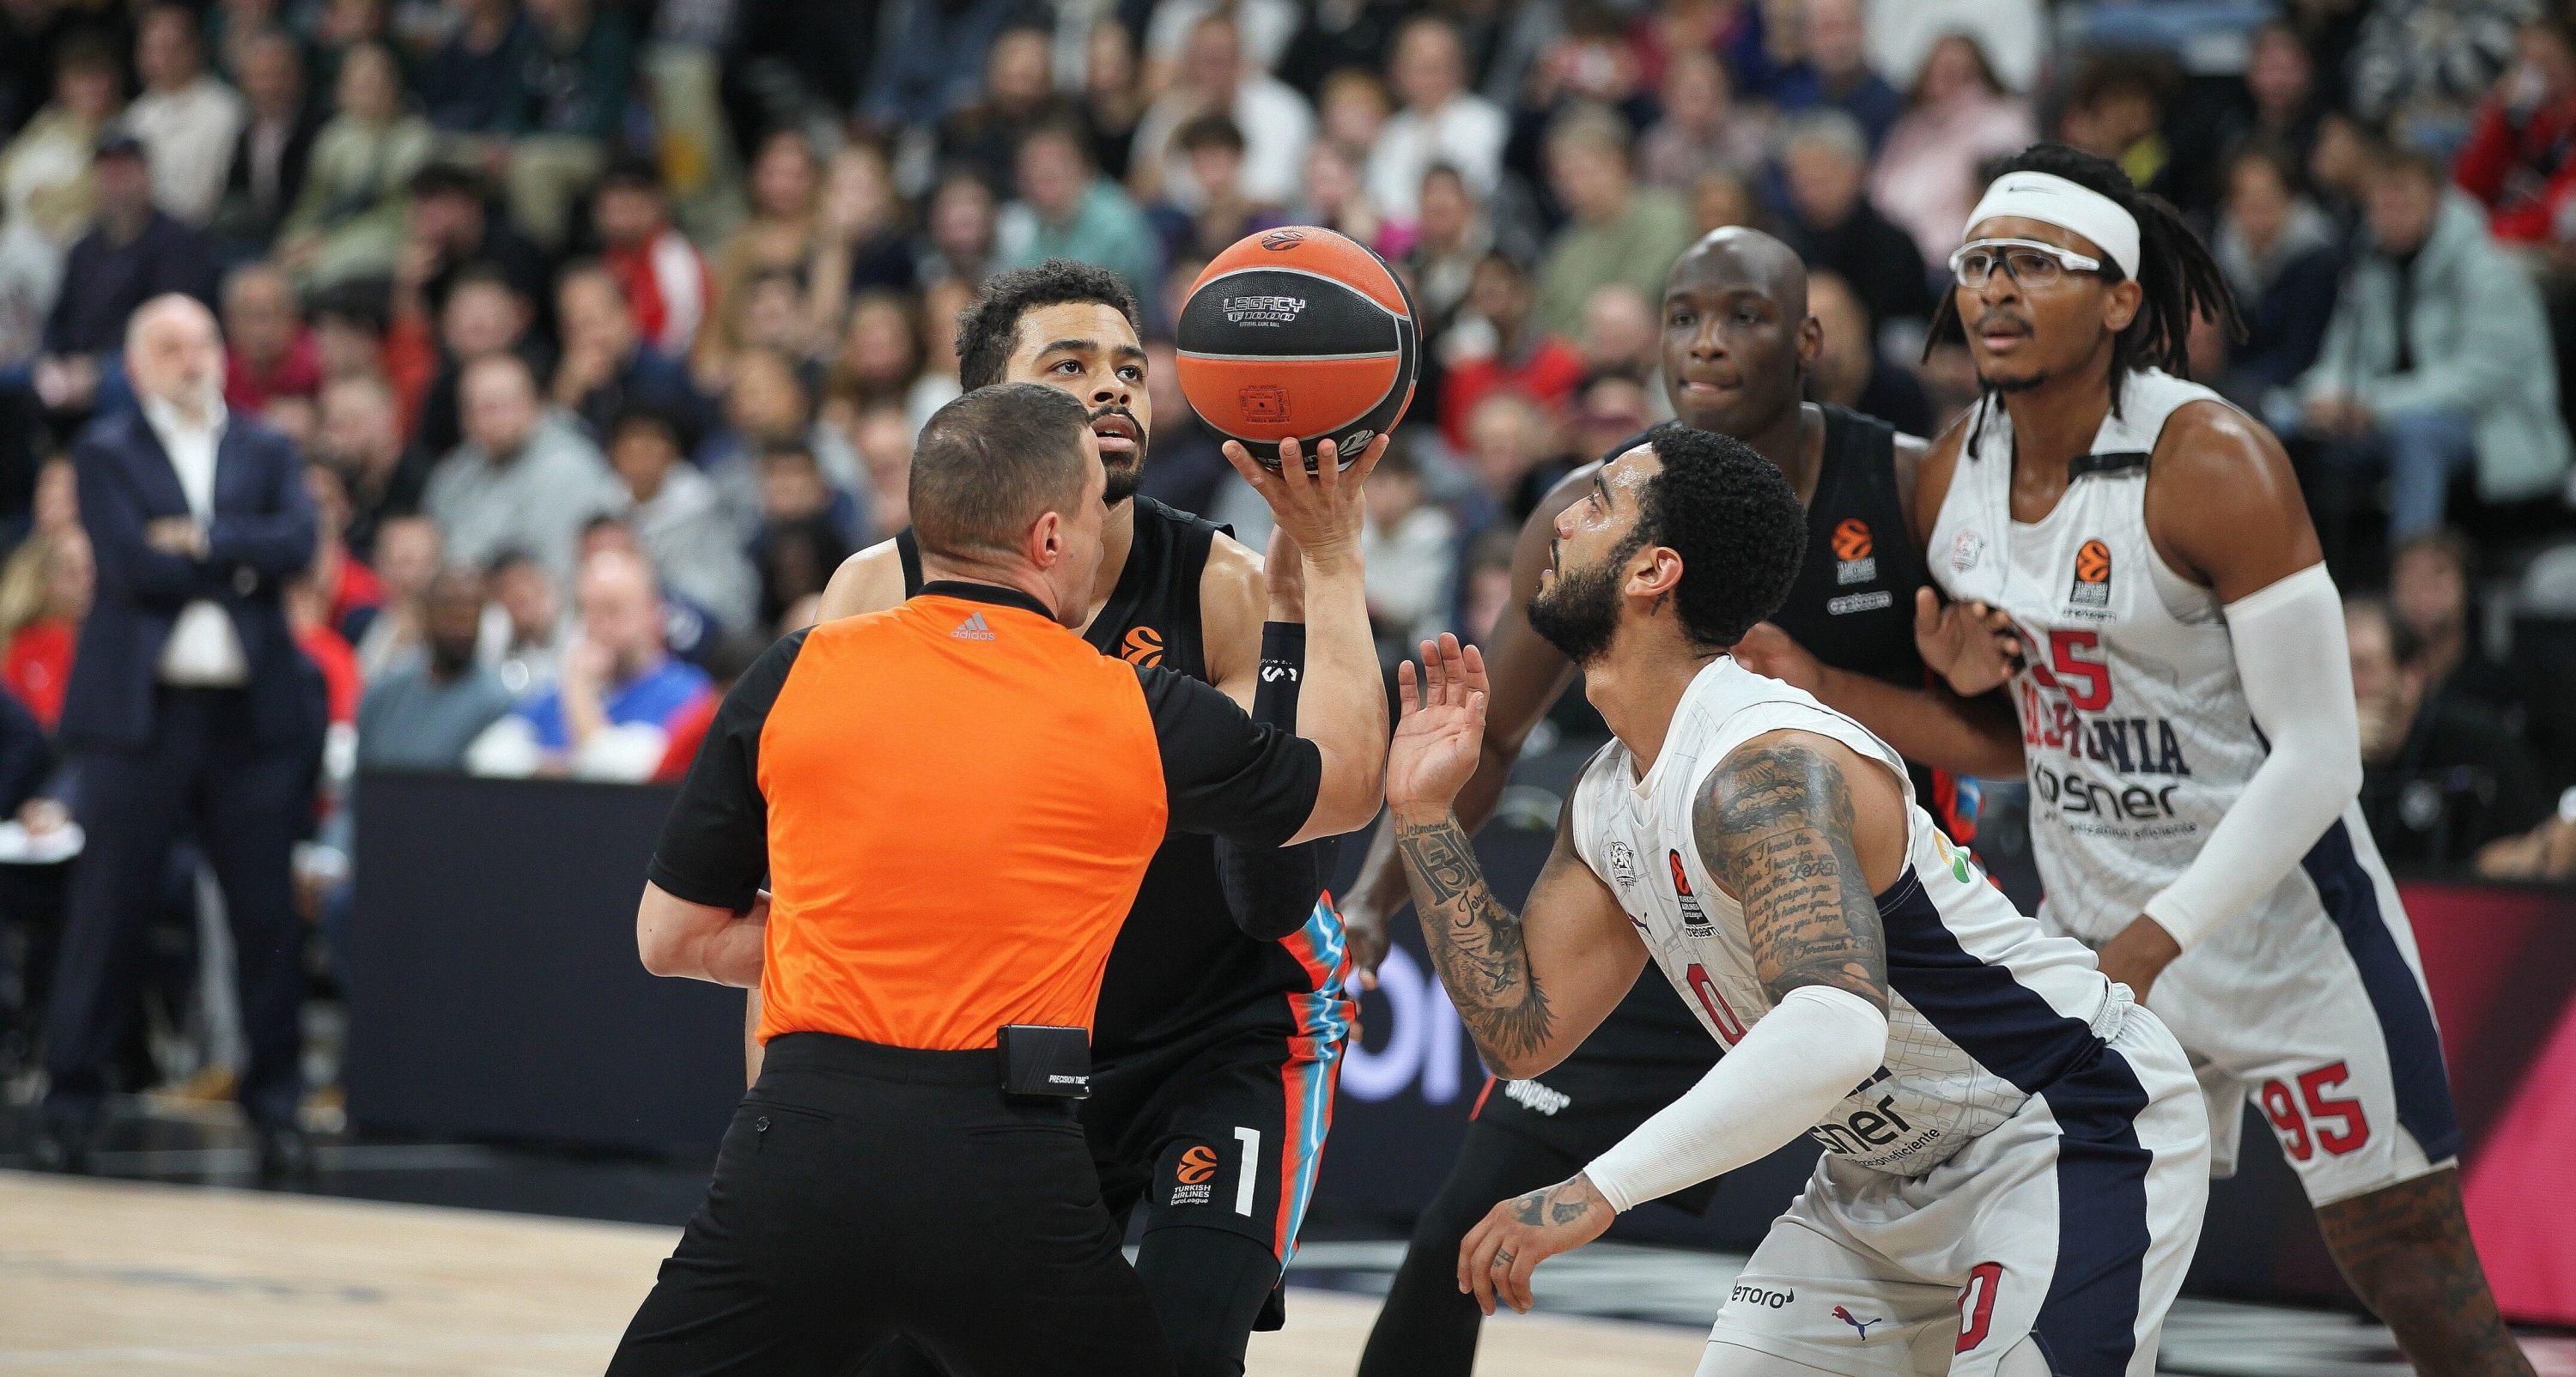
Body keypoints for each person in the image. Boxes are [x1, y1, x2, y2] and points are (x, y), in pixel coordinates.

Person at [1829, 144, 2535, 1377]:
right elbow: (2015, 725)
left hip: (2279, 938)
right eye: (1980, 262)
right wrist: (1954, 673)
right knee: (2079, 1281)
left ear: (2117, 296)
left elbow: (2322, 758)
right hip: (2091, 929)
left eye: (2034, 266)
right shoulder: (1955, 473)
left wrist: (2152, 942)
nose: (1994, 289)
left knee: (2416, 1278)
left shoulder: (2216, 464)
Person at [1381, 427, 2207, 1375]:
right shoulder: (1610, 795)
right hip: (1877, 1178)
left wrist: (1598, 1188)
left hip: (2060, 1121)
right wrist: (1425, 812)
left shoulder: (1760, 764)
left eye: (1598, 501)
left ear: (1654, 570)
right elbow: (1523, 1030)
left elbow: (1835, 1028)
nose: (1560, 516)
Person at [605, 380, 1388, 1375]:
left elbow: (668, 937)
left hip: (801, 1139)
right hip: (1004, 1151)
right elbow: (1348, 784)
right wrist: (1330, 556)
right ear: (1051, 538)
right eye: (1102, 507)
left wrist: (877, 936)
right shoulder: (1125, 706)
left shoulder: (797, 669)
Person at [1349, 226, 2017, 1377]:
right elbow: (1497, 737)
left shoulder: (1908, 485)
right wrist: (1376, 893)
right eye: (1682, 314)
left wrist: (1858, 686)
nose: (1705, 342)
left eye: (1743, 316)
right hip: (1664, 910)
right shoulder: (1590, 561)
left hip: (1863, 934)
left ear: (1809, 340)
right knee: (1468, 1223)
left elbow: (2005, 746)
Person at [807, 261, 1359, 1377]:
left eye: (1127, 367)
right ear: (984, 411)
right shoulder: (877, 593)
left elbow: (1301, 850)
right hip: (1019, 1046)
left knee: (1175, 1345)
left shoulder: (1221, 583)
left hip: (1227, 1028)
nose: (1112, 389)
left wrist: (1320, 591)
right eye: (1069, 367)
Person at [37, 294, 319, 1179]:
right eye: (168, 344)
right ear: (135, 361)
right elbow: (131, 564)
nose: (190, 357)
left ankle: (276, 1106)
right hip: (140, 718)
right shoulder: (106, 448)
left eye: (201, 340)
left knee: (264, 916)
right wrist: (236, 556)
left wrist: (199, 538)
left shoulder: (268, 445)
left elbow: (298, 543)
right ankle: (71, 1098)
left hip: (248, 717)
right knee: (108, 910)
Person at [2297, 144, 2567, 552]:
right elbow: (2339, 356)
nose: (2390, 211)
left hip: (2497, 427)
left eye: (2403, 196)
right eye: (2381, 200)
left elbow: (2475, 383)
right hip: (2382, 412)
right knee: (2282, 421)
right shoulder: (2368, 266)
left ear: (2437, 200)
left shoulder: (2491, 270)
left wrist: (2370, 405)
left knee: (2418, 436)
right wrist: (2323, 398)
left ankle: (2412, 583)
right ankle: (2296, 576)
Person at [2348, 596, 2548, 871]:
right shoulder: (2317, 757)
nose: (2348, 684)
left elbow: (2528, 848)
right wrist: (2338, 760)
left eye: (2363, 667)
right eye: (2336, 668)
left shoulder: (2478, 743)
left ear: (2410, 676)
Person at [421, 353, 623, 583]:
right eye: (476, 409)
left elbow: (558, 573)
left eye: (500, 406)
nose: (488, 420)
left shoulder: (569, 465)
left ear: (533, 403)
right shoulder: (454, 474)